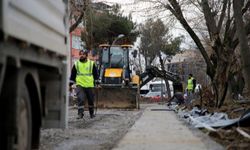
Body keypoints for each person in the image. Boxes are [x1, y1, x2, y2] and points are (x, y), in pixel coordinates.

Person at [69, 49, 99, 119]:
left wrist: (97, 82)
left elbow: (95, 74)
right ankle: (80, 113)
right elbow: (73, 75)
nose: (81, 56)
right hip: (80, 84)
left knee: (90, 99)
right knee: (80, 98)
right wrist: (70, 84)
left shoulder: (91, 64)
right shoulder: (76, 64)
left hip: (89, 85)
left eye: (83, 54)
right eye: (80, 54)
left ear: (86, 56)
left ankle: (91, 113)